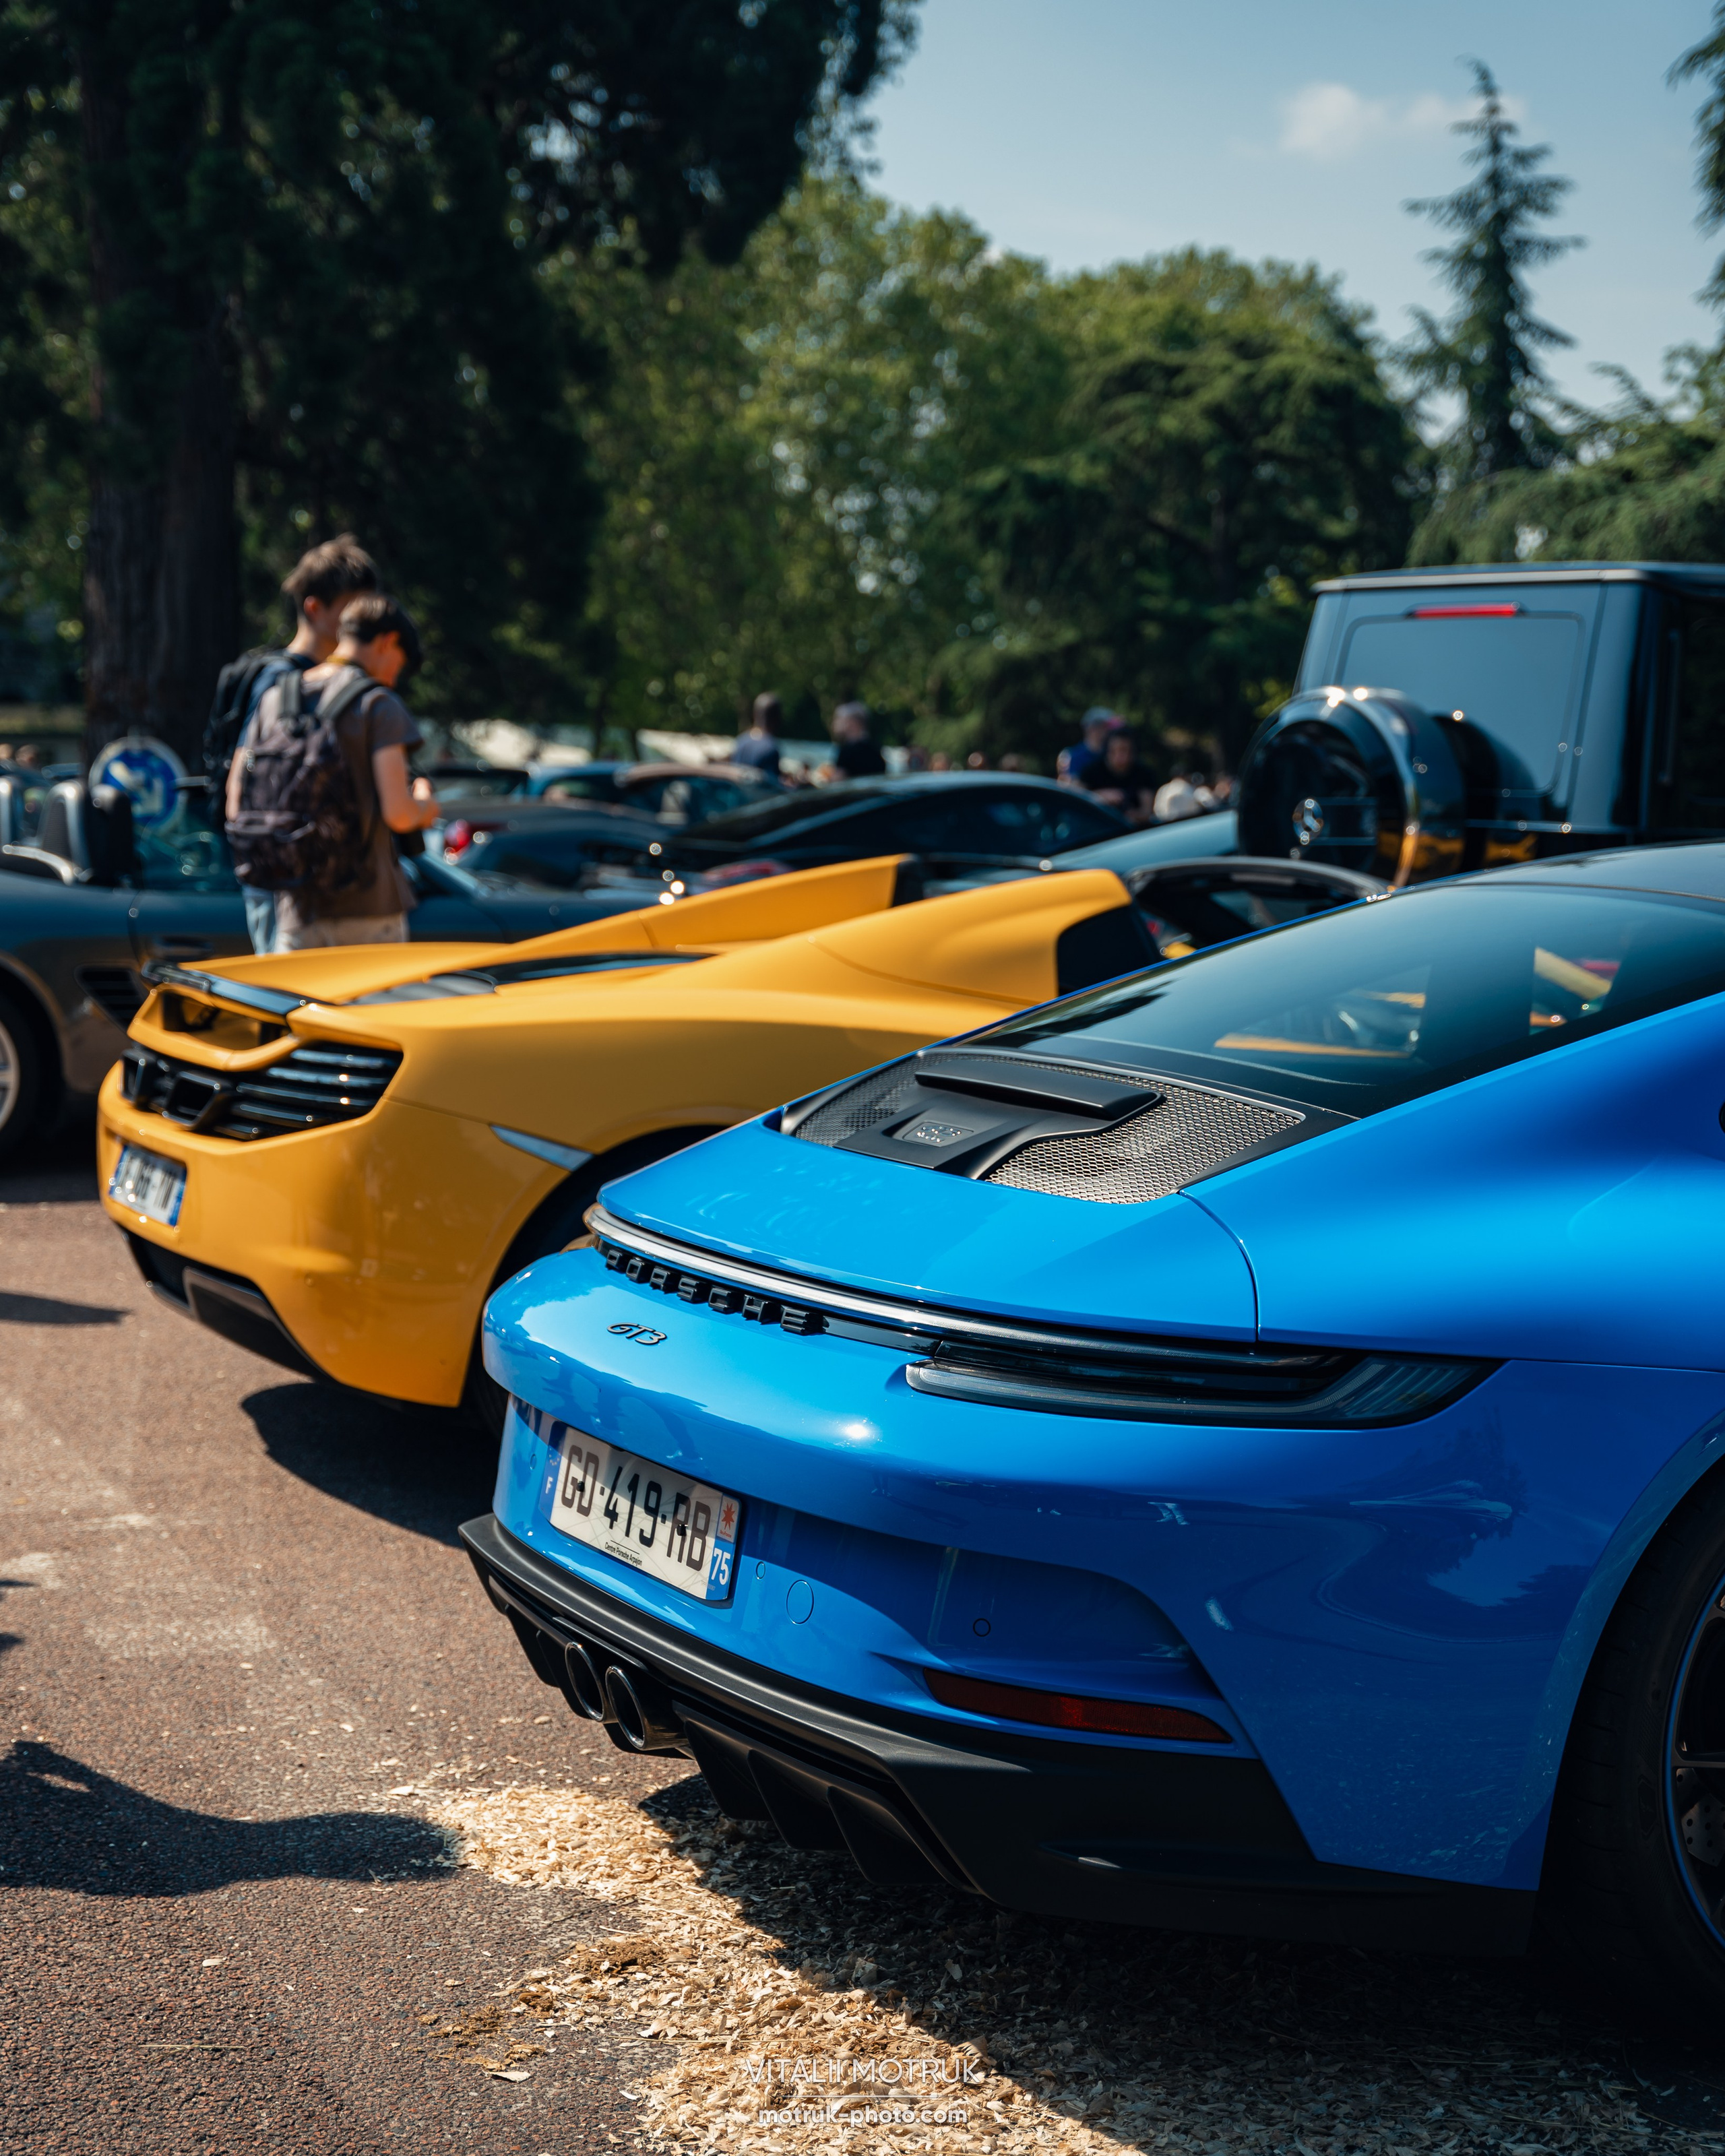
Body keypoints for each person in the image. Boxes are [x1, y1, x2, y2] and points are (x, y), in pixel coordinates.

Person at [228, 593, 439, 951]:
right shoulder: (377, 704)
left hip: (295, 908)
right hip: (369, 910)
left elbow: (236, 805)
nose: (393, 677)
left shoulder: (275, 700)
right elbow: (399, 814)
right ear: (388, 642)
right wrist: (426, 805)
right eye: (397, 665)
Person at [209, 534, 379, 953]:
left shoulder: (326, 681)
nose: (361, 625)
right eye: (350, 612)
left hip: (310, 874)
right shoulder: (280, 682)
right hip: (280, 875)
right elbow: (245, 774)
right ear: (314, 608)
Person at [1084, 728, 1158, 828]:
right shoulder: (1090, 772)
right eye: (1115, 750)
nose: (1120, 756)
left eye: (1124, 750)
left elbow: (1147, 812)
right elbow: (1076, 797)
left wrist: (1132, 815)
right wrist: (1100, 796)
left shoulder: (1143, 774)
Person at [1063, 707, 1118, 788]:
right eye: (1101, 727)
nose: (1105, 731)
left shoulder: (1110, 754)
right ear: (1090, 729)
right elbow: (1074, 787)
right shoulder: (1074, 756)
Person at [830, 701, 886, 780]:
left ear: (852, 722)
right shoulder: (876, 748)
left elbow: (838, 779)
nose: (835, 723)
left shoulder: (848, 751)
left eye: (838, 718)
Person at [733, 692, 782, 777]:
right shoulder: (770, 748)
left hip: (737, 790)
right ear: (777, 718)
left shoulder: (741, 741)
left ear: (755, 714)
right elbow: (772, 785)